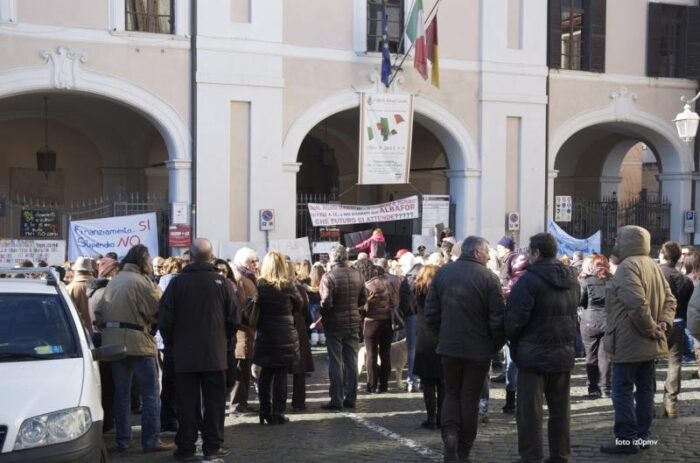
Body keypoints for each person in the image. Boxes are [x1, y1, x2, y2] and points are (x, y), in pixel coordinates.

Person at [424, 236, 505, 462]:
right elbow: (497, 318)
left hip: (450, 347)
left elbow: (431, 313)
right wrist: (495, 345)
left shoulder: (443, 273)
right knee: (469, 398)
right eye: (487, 251)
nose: (490, 256)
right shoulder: (489, 278)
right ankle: (463, 448)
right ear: (477, 253)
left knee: (451, 393)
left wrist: (441, 336)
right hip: (478, 350)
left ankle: (450, 435)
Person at [159, 238, 238, 461]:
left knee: (186, 402)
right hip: (215, 353)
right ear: (211, 257)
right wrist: (223, 340)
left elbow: (165, 319)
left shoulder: (177, 283)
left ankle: (186, 446)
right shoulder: (221, 283)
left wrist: (173, 343)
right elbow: (234, 318)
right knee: (214, 403)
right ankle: (212, 447)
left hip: (185, 354)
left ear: (191, 257)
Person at [600, 226, 676, 455]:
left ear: (626, 242)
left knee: (622, 390)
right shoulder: (652, 264)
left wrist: (653, 327)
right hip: (648, 343)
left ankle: (625, 439)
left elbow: (636, 304)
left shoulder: (627, 267)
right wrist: (663, 323)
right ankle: (643, 436)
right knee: (644, 390)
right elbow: (669, 300)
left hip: (629, 341)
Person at [505, 233, 579, 463]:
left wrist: (510, 337)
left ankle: (531, 455)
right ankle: (560, 454)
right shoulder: (572, 279)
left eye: (529, 251)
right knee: (560, 410)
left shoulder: (528, 280)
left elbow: (515, 320)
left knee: (529, 412)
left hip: (533, 355)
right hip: (562, 353)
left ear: (536, 253)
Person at [95, 245, 172, 454]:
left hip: (113, 343)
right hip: (138, 342)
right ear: (143, 261)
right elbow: (158, 307)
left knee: (122, 394)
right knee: (150, 394)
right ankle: (151, 440)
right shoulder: (142, 282)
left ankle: (123, 440)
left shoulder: (115, 280)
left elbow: (99, 312)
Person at [253, 251, 302, 424]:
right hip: (284, 333)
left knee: (266, 373)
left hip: (265, 332)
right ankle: (278, 412)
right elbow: (300, 305)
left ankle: (264, 410)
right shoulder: (288, 285)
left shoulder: (259, 285)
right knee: (281, 374)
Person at [319, 244, 368, 410]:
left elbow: (326, 302)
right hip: (353, 322)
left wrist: (323, 311)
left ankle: (336, 399)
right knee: (352, 361)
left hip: (334, 323)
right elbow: (363, 299)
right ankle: (351, 398)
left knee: (335, 361)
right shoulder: (358, 275)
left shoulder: (329, 277)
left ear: (333, 258)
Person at [658, 241, 694, 418]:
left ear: (663, 255)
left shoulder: (655, 275)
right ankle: (670, 403)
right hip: (678, 322)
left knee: (649, 362)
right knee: (675, 363)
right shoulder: (685, 281)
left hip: (657, 324)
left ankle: (646, 403)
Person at [87, 257, 119, 433]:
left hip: (97, 338)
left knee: (105, 382)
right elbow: (102, 318)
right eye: (116, 270)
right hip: (105, 338)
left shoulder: (94, 290)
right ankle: (108, 421)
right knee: (109, 384)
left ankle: (107, 419)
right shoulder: (104, 292)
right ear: (110, 272)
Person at [355, 259, 394, 393]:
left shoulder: (366, 285)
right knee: (385, 353)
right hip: (388, 321)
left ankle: (371, 385)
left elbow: (362, 307)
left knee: (371, 355)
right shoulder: (388, 283)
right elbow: (394, 302)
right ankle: (384, 385)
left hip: (371, 322)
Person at [412, 264, 441, 429]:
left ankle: (431, 418)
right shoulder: (441, 292)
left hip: (424, 338)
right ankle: (442, 418)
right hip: (440, 337)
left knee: (428, 383)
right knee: (442, 382)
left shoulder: (419, 291)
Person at [579, 255, 612, 399]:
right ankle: (605, 387)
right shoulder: (612, 281)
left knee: (590, 355)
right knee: (605, 356)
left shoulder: (587, 281)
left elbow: (580, 301)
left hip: (589, 322)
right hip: (608, 321)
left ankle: (593, 388)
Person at [231, 247, 259, 414]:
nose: (255, 264)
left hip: (248, 330)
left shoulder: (246, 277)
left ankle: (242, 402)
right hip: (243, 331)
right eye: (252, 261)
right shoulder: (240, 278)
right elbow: (241, 307)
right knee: (240, 370)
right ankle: (237, 404)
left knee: (245, 369)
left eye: (256, 261)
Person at [500, 251, 529, 414]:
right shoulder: (533, 281)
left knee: (512, 364)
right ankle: (525, 400)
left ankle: (510, 401)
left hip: (512, 330)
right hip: (530, 331)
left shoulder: (509, 284)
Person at [287, 260, 314, 412]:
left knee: (282, 369)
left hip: (288, 329)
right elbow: (306, 311)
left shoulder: (273, 288)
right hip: (297, 329)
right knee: (298, 369)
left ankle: (278, 402)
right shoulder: (299, 289)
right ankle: (298, 402)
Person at [399, 252, 422, 391]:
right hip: (425, 316)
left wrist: (408, 313)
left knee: (412, 349)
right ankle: (424, 379)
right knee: (426, 348)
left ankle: (412, 381)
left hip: (411, 316)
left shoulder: (406, 280)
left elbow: (404, 302)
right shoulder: (426, 277)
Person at [66, 256, 95, 334]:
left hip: (77, 334)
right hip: (98, 332)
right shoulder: (99, 286)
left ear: (75, 270)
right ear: (90, 270)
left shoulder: (70, 288)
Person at [305, 264, 326, 346]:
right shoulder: (324, 281)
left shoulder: (308, 283)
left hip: (312, 305)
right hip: (321, 304)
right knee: (320, 322)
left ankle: (314, 341)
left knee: (313, 322)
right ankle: (322, 339)